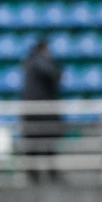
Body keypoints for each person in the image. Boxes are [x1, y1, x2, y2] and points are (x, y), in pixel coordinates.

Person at [20, 39, 63, 183]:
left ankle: (38, 175)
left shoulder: (28, 63)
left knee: (39, 144)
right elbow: (54, 74)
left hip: (34, 112)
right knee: (42, 143)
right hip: (39, 113)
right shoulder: (38, 61)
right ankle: (41, 175)